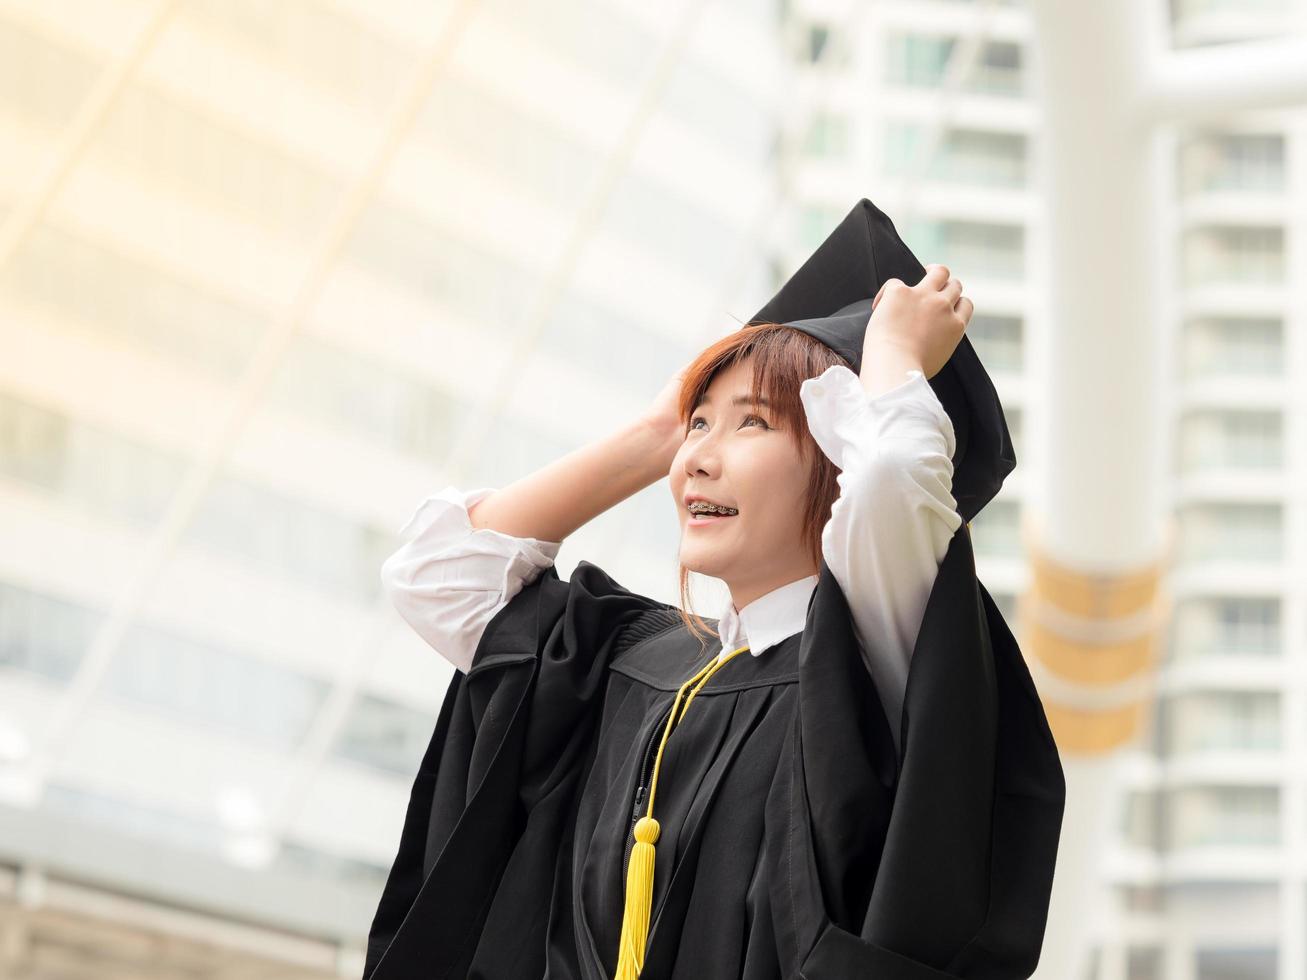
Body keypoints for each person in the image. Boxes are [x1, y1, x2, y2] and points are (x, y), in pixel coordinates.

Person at [362, 199, 1065, 980]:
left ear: (840, 448)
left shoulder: (872, 657)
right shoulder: (623, 661)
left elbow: (895, 480)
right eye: (699, 425)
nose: (698, 459)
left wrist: (893, 354)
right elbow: (438, 574)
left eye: (754, 424)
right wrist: (654, 435)